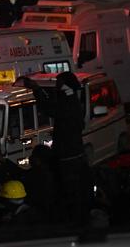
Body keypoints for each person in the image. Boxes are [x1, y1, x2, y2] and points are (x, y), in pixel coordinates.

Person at [23, 72, 91, 225]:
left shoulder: (68, 103)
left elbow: (49, 108)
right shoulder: (72, 101)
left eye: (58, 83)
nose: (56, 86)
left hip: (68, 158)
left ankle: (73, 222)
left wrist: (37, 90)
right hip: (73, 155)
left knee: (69, 192)